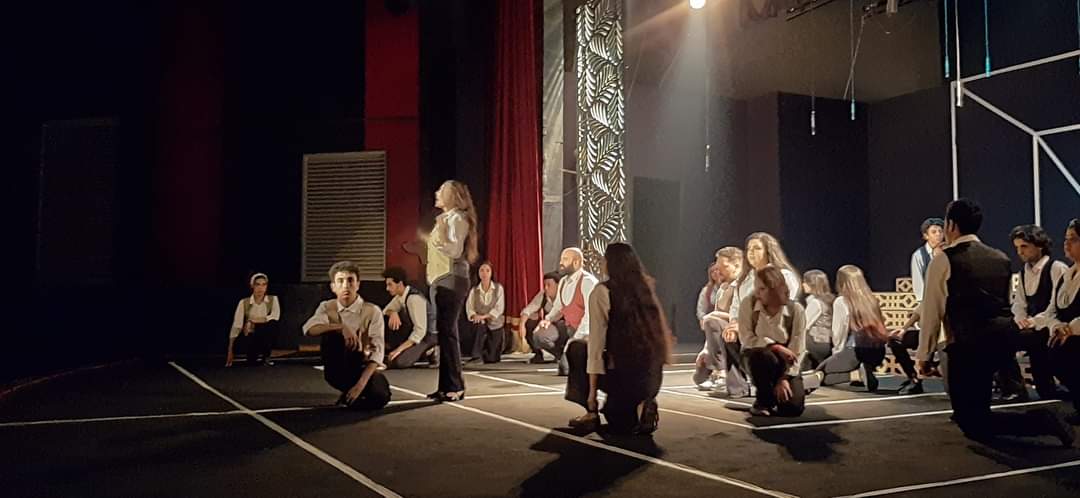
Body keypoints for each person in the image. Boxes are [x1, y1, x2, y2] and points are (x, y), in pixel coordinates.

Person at [918, 199, 1073, 445]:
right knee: (973, 413)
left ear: (951, 225)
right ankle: (1039, 420)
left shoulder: (944, 259)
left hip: (968, 344)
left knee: (972, 423)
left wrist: (924, 356)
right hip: (1001, 340)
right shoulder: (1000, 258)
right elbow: (1005, 302)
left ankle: (1043, 421)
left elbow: (932, 311)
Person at [565, 242, 671, 434]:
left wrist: (591, 398)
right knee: (618, 419)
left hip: (623, 373)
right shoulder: (644, 290)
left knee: (577, 348)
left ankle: (593, 413)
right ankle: (643, 402)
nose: (602, 263)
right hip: (652, 379)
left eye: (604, 260)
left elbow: (596, 347)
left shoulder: (602, 292)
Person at [302, 261, 391, 410]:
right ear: (333, 287)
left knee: (381, 396)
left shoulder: (372, 311)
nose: (346, 286)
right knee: (332, 335)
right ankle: (349, 392)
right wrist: (341, 327)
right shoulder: (327, 306)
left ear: (358, 285)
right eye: (340, 281)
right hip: (337, 367)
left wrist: (360, 385)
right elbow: (309, 329)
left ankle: (351, 398)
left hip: (361, 365)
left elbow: (378, 351)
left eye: (350, 280)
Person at [722, 232, 801, 397]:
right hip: (749, 330)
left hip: (777, 332)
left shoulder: (784, 275)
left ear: (768, 251)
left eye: (757, 248)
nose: (751, 253)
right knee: (726, 332)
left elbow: (785, 308)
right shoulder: (745, 279)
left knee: (792, 405)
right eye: (749, 249)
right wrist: (734, 323)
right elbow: (736, 307)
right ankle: (741, 386)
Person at [422, 180, 479, 402]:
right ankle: (445, 386)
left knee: (448, 333)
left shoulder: (458, 219)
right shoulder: (447, 218)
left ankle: (455, 385)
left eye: (441, 190)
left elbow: (454, 250)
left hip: (452, 279)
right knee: (444, 334)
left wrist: (439, 237)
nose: (437, 193)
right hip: (440, 278)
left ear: (453, 196)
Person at [1001, 224, 1069, 399]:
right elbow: (1019, 303)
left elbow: (1057, 306)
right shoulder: (1024, 272)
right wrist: (1020, 319)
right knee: (1002, 337)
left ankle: (1030, 387)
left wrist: (1033, 321)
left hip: (1052, 326)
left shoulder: (1057, 268)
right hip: (1033, 327)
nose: (1020, 252)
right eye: (1017, 247)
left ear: (1039, 245)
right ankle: (1015, 387)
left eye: (1024, 246)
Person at [739, 266, 808, 417]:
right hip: (756, 355)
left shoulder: (795, 310)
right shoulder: (748, 304)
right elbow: (746, 338)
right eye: (757, 288)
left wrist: (784, 378)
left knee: (793, 409)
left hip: (786, 362)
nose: (757, 293)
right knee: (763, 356)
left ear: (775, 289)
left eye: (762, 289)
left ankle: (778, 392)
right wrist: (773, 346)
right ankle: (763, 400)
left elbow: (797, 349)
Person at [810, 265, 890, 393]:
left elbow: (839, 333)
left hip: (855, 352)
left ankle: (856, 375)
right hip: (877, 352)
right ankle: (863, 372)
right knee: (825, 374)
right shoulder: (871, 299)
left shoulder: (841, 301)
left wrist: (836, 353)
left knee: (820, 373)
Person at [537, 248, 599, 376]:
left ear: (576, 262)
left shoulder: (588, 282)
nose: (561, 263)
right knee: (540, 335)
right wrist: (547, 320)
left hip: (587, 332)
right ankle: (565, 356)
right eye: (561, 259)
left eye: (565, 259)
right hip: (570, 328)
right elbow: (558, 306)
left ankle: (575, 358)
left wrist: (575, 339)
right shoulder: (563, 281)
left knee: (565, 371)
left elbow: (590, 316)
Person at [1044, 219, 1080, 425]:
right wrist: (1057, 326)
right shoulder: (1066, 275)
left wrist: (1071, 329)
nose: (1067, 244)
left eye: (1073, 239)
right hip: (1065, 336)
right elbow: (1051, 311)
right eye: (1066, 239)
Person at [694, 247, 742, 391]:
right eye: (718, 266)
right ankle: (716, 371)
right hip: (723, 330)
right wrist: (705, 349)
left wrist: (714, 315)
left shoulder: (743, 285)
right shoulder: (722, 288)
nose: (719, 270)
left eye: (723, 266)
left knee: (711, 320)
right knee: (699, 376)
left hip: (740, 330)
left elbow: (741, 316)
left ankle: (721, 372)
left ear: (737, 265)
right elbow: (713, 324)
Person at [382, 267, 439, 369]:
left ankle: (431, 350)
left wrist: (399, 349)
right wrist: (393, 313)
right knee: (390, 358)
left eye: (390, 285)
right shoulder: (400, 296)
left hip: (428, 336)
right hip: (415, 334)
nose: (387, 288)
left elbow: (420, 332)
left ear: (400, 284)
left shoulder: (414, 299)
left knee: (399, 362)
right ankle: (422, 353)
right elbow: (386, 310)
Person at [226, 273, 281, 367]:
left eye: (264, 285)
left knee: (271, 324)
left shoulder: (273, 299)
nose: (260, 288)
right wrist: (230, 350)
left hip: (265, 333)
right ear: (252, 286)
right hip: (250, 335)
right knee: (251, 360)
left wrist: (252, 322)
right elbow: (236, 326)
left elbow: (275, 316)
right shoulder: (244, 302)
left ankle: (266, 357)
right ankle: (252, 355)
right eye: (257, 284)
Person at [520, 272, 568, 364]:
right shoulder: (543, 295)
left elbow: (561, 313)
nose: (546, 288)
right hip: (548, 326)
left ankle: (563, 354)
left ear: (558, 285)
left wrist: (546, 321)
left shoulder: (565, 295)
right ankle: (539, 353)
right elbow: (529, 309)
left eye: (549, 285)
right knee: (529, 323)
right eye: (544, 285)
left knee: (561, 326)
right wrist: (522, 324)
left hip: (563, 326)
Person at [465, 261, 506, 364]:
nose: (484, 273)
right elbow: (469, 308)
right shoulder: (474, 290)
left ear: (491, 273)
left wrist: (484, 316)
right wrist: (475, 316)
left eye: (487, 270)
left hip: (495, 325)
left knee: (492, 359)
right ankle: (476, 356)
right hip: (479, 324)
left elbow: (499, 309)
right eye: (482, 270)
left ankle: (487, 354)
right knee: (480, 325)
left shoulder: (498, 288)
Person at [800, 269, 835, 370]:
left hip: (817, 343)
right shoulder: (828, 301)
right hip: (826, 342)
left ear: (812, 284)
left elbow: (803, 325)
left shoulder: (815, 303)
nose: (803, 284)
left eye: (805, 282)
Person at [911, 217, 945, 302]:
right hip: (927, 300)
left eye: (940, 231)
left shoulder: (948, 252)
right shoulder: (919, 255)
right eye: (934, 232)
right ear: (926, 236)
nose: (938, 234)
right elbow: (918, 281)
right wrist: (923, 301)